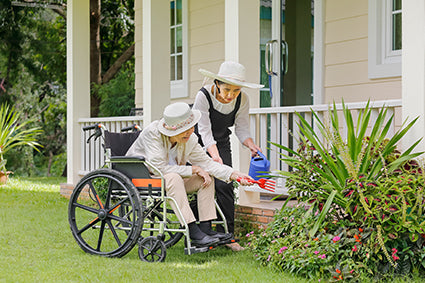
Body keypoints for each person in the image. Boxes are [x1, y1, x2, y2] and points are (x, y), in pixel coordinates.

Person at [126, 102, 253, 247]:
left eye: (191, 127)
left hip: (172, 179)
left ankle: (206, 228)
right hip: (145, 176)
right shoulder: (153, 133)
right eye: (185, 129)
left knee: (205, 177)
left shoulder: (189, 139)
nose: (190, 131)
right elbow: (157, 168)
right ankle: (192, 230)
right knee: (175, 177)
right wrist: (193, 169)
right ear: (172, 131)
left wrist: (236, 174)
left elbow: (208, 164)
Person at [192, 61, 264, 251]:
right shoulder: (204, 96)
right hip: (197, 144)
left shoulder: (243, 100)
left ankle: (228, 236)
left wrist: (251, 145)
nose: (231, 95)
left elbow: (241, 128)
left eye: (236, 90)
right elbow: (204, 130)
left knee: (225, 186)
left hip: (222, 142)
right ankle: (202, 233)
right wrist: (214, 157)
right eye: (227, 89)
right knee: (204, 183)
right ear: (217, 84)